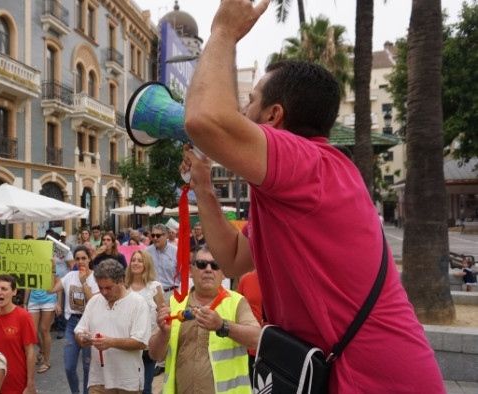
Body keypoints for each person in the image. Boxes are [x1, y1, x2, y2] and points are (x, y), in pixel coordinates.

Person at [180, 1, 445, 391]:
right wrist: (203, 188)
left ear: (273, 116)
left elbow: (204, 119)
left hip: (379, 379)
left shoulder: (308, 163)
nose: (241, 110)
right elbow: (233, 259)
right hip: (343, 371)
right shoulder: (297, 182)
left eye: (250, 101)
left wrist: (224, 30)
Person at [148, 245, 260, 393]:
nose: (208, 269)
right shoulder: (175, 303)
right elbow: (154, 354)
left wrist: (222, 326)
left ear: (224, 273)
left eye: (215, 265)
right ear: (191, 271)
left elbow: (257, 339)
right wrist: (163, 333)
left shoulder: (237, 302)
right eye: (201, 264)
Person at [75, 260, 151, 394]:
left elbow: (140, 342)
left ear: (121, 281)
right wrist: (82, 338)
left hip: (128, 383)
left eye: (108, 287)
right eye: (100, 287)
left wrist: (110, 342)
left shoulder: (138, 303)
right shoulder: (94, 301)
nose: (103, 292)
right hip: (98, 380)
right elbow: (79, 330)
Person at [48, 245, 99, 394]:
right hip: (72, 324)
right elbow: (51, 289)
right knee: (69, 367)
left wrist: (84, 282)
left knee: (87, 366)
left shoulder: (96, 278)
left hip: (90, 324)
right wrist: (52, 269)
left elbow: (94, 303)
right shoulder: (70, 276)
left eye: (84, 258)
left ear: (90, 259)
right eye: (78, 259)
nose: (81, 262)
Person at [0, 275, 37, 394]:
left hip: (16, 382)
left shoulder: (23, 316)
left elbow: (30, 351)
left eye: (4, 289)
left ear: (14, 292)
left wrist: (30, 383)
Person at [124, 250, 165, 394]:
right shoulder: (124, 287)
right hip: (128, 344)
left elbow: (162, 313)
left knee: (146, 387)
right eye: (133, 260)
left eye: (140, 260)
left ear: (146, 264)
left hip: (149, 345)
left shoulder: (154, 287)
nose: (135, 263)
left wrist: (161, 337)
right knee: (130, 386)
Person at [24, 268, 61, 374]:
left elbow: (58, 284)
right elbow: (28, 285)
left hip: (48, 299)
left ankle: (46, 361)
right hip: (34, 300)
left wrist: (58, 303)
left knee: (44, 330)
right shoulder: (31, 265)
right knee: (33, 332)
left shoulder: (50, 264)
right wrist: (25, 303)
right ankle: (43, 350)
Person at [145, 224, 178, 297]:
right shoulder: (147, 252)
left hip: (171, 293)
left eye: (158, 235)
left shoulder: (176, 252)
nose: (155, 238)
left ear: (166, 236)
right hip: (152, 294)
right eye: (153, 235)